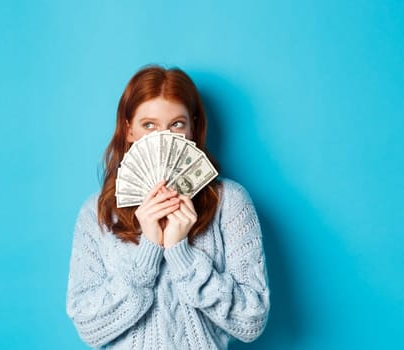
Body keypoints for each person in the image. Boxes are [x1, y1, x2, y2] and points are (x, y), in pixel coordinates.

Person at [65, 65, 270, 349]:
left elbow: (252, 321)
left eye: (176, 124)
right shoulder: (96, 213)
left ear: (192, 129)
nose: (164, 138)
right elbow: (89, 328)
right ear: (129, 130)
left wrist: (181, 254)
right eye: (149, 125)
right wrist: (148, 249)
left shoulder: (230, 202)